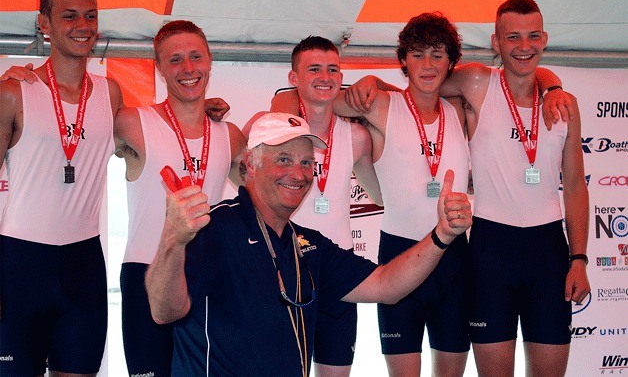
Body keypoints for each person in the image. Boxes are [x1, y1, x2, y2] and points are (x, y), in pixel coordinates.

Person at [343, 0, 590, 376]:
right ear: (496, 42)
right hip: (490, 249)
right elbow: (415, 83)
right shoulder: (476, 83)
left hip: (548, 252)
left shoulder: (564, 105)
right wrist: (369, 81)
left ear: (545, 39)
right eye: (512, 38)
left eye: (533, 36)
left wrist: (579, 258)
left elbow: (574, 185)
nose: (523, 46)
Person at [145, 112, 473, 376]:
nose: (299, 173)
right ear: (251, 164)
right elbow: (164, 311)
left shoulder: (307, 244)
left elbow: (386, 285)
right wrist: (172, 241)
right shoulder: (213, 227)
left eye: (306, 162)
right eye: (284, 159)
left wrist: (441, 235)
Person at [319, 13, 471, 377]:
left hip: (454, 259)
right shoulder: (383, 106)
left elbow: (521, 78)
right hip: (400, 254)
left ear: (451, 61)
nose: (428, 65)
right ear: (403, 60)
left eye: (437, 54)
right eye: (417, 55)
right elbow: (327, 103)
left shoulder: (461, 110)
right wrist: (371, 82)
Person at [0, 0, 123, 376]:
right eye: (69, 16)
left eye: (90, 16)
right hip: (19, 262)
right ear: (44, 24)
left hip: (83, 263)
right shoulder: (14, 92)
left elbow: (153, 133)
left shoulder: (111, 92)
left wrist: (197, 107)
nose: (83, 25)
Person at [113, 20, 246, 376]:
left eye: (195, 57)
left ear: (210, 61)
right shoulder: (131, 122)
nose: (188, 69)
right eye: (174, 60)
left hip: (205, 276)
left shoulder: (228, 134)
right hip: (147, 271)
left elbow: (263, 187)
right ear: (158, 68)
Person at [252, 35, 382, 377]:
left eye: (333, 69)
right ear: (294, 78)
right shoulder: (273, 132)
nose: (325, 77)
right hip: (284, 270)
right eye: (314, 69)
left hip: (337, 275)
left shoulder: (357, 136)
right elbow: (242, 177)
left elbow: (384, 195)